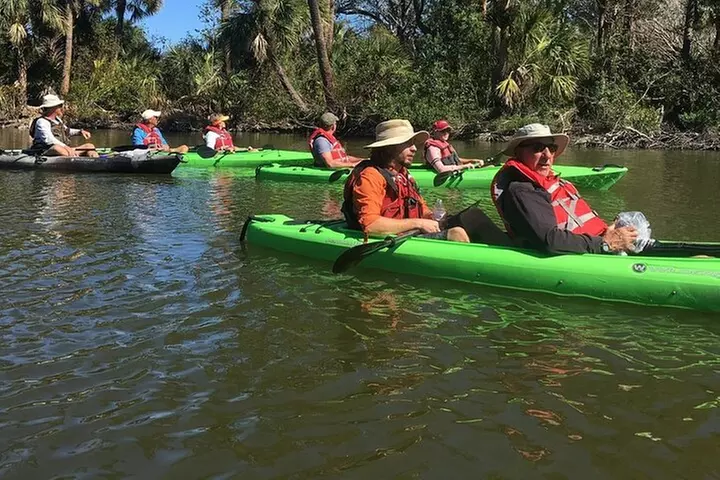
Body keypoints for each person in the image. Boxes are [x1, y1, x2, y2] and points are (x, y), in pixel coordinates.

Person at [491, 123, 638, 254]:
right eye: (538, 148)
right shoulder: (522, 190)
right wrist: (605, 244)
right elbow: (550, 240)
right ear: (518, 153)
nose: (547, 156)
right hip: (593, 251)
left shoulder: (552, 183)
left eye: (552, 148)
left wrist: (610, 233)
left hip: (596, 243)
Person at [341, 119, 471, 242]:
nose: (414, 148)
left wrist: (432, 217)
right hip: (389, 238)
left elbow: (422, 209)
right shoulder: (370, 176)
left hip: (410, 232)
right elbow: (371, 225)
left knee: (470, 217)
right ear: (389, 147)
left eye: (413, 143)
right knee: (457, 234)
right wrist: (418, 223)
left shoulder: (403, 174)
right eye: (408, 143)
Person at [29, 94, 98, 157]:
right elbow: (49, 139)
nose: (62, 108)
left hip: (63, 148)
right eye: (60, 106)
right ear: (53, 108)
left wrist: (80, 132)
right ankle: (75, 157)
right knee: (57, 148)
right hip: (45, 150)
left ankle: (96, 161)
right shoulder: (42, 122)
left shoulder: (58, 120)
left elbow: (67, 130)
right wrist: (66, 147)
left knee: (90, 146)